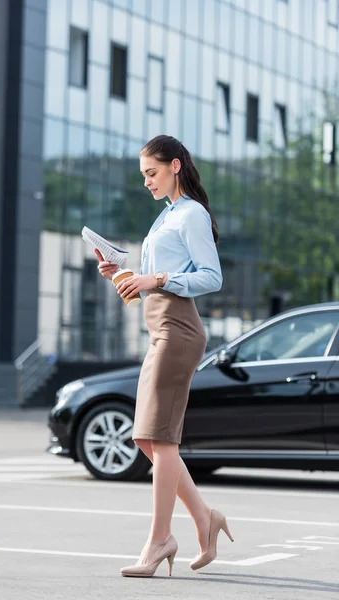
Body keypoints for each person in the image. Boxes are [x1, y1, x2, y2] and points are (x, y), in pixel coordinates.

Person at [95, 134, 233, 578]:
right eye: (143, 176)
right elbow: (154, 285)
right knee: (146, 438)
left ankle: (159, 540)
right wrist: (123, 276)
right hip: (159, 328)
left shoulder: (191, 214)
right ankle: (204, 518)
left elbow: (211, 277)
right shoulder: (165, 219)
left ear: (175, 166)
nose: (147, 182)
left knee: (161, 437)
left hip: (179, 330)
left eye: (151, 173)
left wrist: (155, 279)